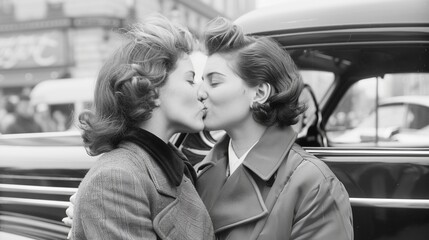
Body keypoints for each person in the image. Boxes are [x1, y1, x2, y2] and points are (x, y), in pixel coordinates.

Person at [194, 17, 354, 239]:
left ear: (259, 94)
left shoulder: (313, 184)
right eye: (201, 81)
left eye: (214, 82)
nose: (200, 92)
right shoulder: (200, 172)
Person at [68, 15, 214, 240]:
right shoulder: (115, 178)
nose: (201, 92)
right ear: (152, 90)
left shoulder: (168, 165)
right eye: (190, 80)